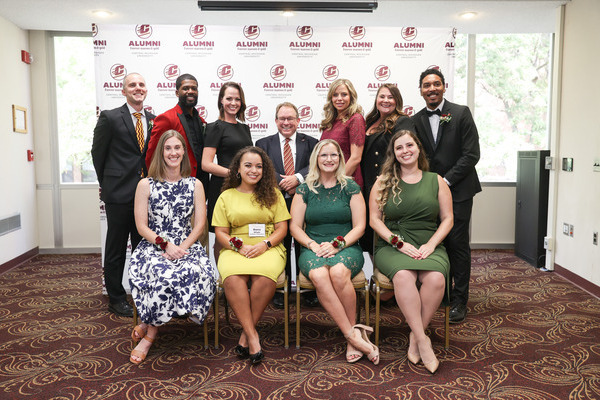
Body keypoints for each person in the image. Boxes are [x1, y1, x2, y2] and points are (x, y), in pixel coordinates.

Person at [128, 130, 216, 365]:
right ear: (161, 152)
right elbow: (141, 227)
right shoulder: (145, 184)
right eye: (168, 148)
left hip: (187, 245)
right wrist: (166, 245)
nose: (173, 153)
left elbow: (199, 225)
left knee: (199, 272)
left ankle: (147, 325)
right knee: (161, 274)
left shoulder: (194, 184)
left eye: (178, 148)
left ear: (184, 153)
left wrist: (181, 248)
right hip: (153, 245)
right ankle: (150, 336)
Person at [370, 130, 453, 374]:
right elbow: (375, 220)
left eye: (409, 145)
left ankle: (415, 338)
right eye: (399, 148)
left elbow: (448, 219)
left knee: (437, 278)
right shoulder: (383, 180)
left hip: (429, 243)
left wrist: (431, 245)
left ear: (418, 149)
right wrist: (397, 242)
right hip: (393, 244)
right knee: (404, 275)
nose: (405, 151)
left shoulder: (435, 180)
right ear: (393, 154)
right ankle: (423, 341)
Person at [290, 139, 379, 365]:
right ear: (316, 160)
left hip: (346, 245)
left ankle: (352, 337)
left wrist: (338, 244)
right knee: (319, 275)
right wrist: (311, 245)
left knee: (339, 273)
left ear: (340, 159)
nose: (329, 159)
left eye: (334, 155)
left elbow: (360, 226)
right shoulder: (304, 189)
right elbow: (294, 227)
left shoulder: (350, 187)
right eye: (323, 155)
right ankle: (353, 334)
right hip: (314, 246)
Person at [412, 68, 481, 324]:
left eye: (436, 84)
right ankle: (444, 292)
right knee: (436, 242)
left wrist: (446, 180)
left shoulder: (461, 113)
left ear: (444, 86)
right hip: (429, 193)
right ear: (420, 89)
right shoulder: (416, 119)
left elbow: (471, 154)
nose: (432, 88)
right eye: (426, 85)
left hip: (460, 190)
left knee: (457, 244)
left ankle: (460, 300)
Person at [212, 146, 290, 364]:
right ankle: (252, 336)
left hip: (268, 246)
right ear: (238, 168)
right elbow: (220, 233)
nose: (254, 170)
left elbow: (282, 229)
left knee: (265, 277)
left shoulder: (273, 194)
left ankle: (245, 336)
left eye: (259, 166)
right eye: (248, 165)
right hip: (235, 247)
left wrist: (265, 244)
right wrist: (239, 246)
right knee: (233, 278)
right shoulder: (226, 196)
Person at [92, 72, 155, 317]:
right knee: (116, 248)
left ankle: (141, 294)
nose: (137, 88)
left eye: (141, 84)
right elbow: (98, 154)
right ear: (123, 90)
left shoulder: (153, 119)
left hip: (146, 196)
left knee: (142, 248)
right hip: (118, 194)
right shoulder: (109, 117)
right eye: (132, 85)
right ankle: (116, 298)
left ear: (146, 90)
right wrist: (108, 183)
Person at [256, 102, 319, 309]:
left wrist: (298, 178)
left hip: (304, 202)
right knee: (278, 246)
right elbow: (261, 166)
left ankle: (307, 289)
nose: (286, 122)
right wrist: (284, 182)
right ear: (275, 121)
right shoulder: (263, 143)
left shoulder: (311, 142)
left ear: (298, 121)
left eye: (290, 118)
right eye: (282, 118)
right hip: (275, 202)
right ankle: (279, 290)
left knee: (303, 245)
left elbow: (316, 164)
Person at [361, 84, 415, 254]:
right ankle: (376, 276)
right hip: (367, 182)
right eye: (382, 96)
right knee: (369, 235)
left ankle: (389, 270)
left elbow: (407, 154)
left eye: (390, 97)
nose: (385, 100)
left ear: (397, 101)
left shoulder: (402, 120)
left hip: (387, 184)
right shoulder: (370, 120)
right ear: (376, 99)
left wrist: (389, 176)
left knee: (382, 231)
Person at [202, 82, 252, 237]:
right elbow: (206, 164)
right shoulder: (214, 127)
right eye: (229, 98)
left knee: (241, 233)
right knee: (222, 236)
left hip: (244, 187)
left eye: (237, 99)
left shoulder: (245, 128)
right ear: (221, 101)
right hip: (222, 187)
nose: (233, 103)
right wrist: (235, 174)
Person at [145, 73, 208, 192]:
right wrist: (156, 183)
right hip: (174, 184)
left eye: (194, 88)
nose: (190, 91)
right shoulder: (167, 118)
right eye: (185, 88)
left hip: (200, 184)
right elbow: (152, 153)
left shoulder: (201, 120)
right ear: (177, 93)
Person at [319, 79, 366, 189]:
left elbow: (355, 158)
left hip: (346, 182)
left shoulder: (356, 119)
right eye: (335, 95)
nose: (339, 98)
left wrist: (336, 182)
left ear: (351, 97)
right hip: (327, 181)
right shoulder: (330, 121)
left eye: (344, 94)